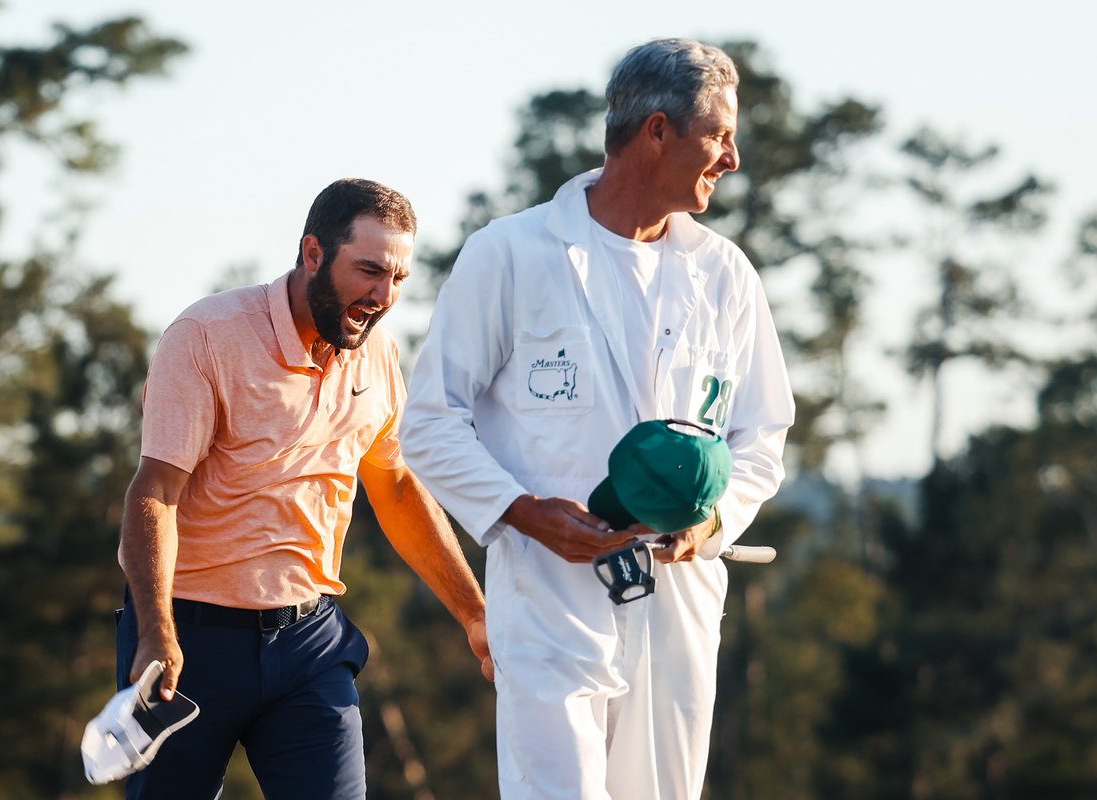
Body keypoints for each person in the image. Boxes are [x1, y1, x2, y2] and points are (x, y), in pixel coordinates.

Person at [400, 39, 795, 799]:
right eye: (718, 135)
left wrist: (712, 525)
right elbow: (429, 423)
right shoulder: (510, 254)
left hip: (678, 603)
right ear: (655, 131)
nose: (733, 157)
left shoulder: (725, 274)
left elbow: (761, 436)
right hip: (551, 598)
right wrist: (522, 513)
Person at [115, 178, 492, 800]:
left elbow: (394, 488)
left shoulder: (378, 357)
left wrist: (474, 612)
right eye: (369, 270)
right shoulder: (206, 336)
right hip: (188, 642)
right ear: (313, 253)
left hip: (309, 644)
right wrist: (156, 628)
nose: (383, 295)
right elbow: (154, 492)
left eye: (398, 278)